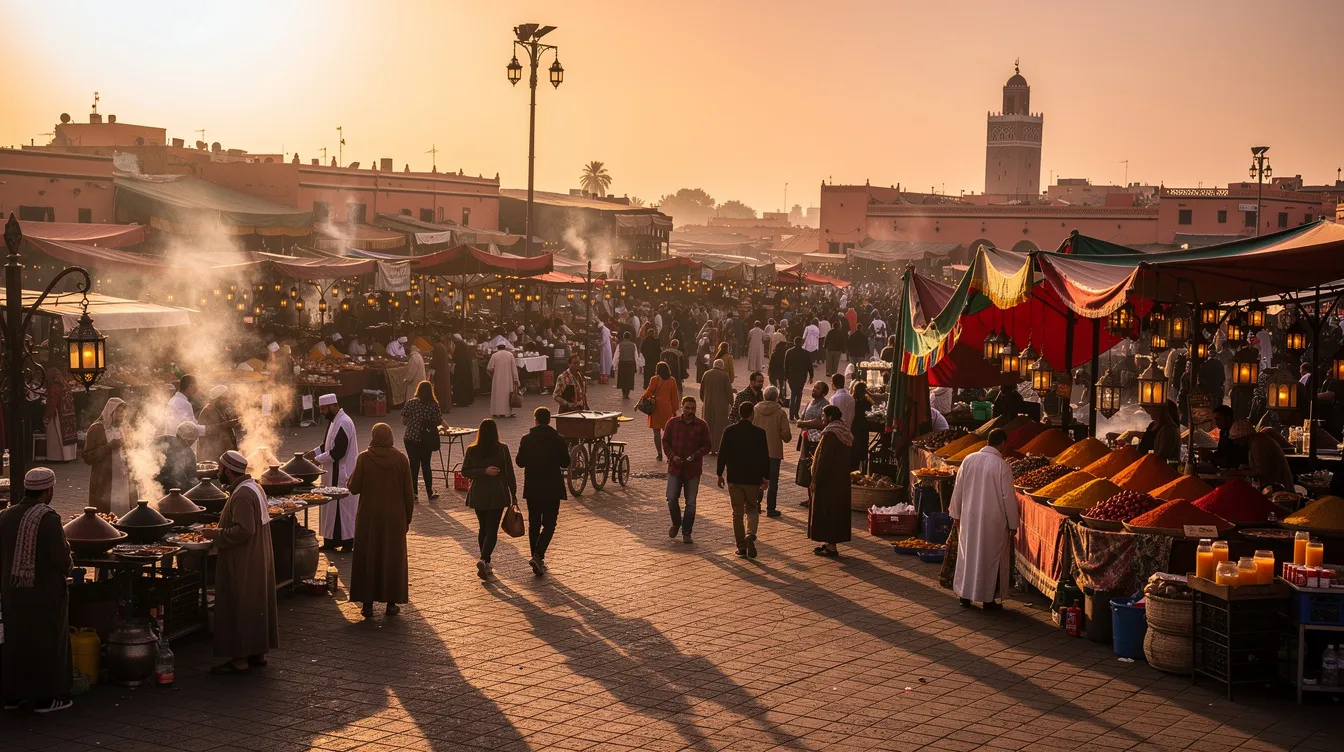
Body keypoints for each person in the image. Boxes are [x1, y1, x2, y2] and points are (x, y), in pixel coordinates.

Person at [0, 468, 73, 713]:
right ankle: (45, 699)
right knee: (47, 642)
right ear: (49, 490)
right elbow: (62, 560)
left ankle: (13, 697)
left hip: (12, 592)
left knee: (16, 641)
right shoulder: (48, 518)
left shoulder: (5, 516)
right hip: (44, 593)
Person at [202, 451, 279, 674]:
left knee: (240, 603)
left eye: (219, 467)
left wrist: (216, 534)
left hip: (244, 558)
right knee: (255, 604)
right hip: (257, 555)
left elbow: (244, 530)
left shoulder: (243, 494)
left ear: (228, 469)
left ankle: (240, 659)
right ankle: (257, 652)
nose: (217, 471)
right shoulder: (255, 487)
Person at [347, 423, 414, 619]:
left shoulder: (364, 458)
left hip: (369, 515)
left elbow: (354, 487)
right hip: (394, 517)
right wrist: (407, 519)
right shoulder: (401, 459)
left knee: (368, 556)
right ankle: (391, 603)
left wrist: (350, 479)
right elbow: (408, 493)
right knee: (391, 557)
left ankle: (367, 604)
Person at [948, 429, 1018, 610]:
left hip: (969, 517)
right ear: (1002, 444)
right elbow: (1008, 497)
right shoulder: (1002, 465)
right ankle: (987, 600)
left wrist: (955, 513)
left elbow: (958, 489)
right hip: (992, 520)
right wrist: (1013, 524)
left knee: (969, 555)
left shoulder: (968, 459)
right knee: (989, 558)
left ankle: (965, 595)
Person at [515, 406, 570, 576]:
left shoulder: (527, 439)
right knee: (550, 524)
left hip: (533, 487)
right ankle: (538, 556)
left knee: (534, 524)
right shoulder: (559, 439)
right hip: (552, 487)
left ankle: (536, 556)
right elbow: (565, 463)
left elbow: (520, 462)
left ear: (536, 420)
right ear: (549, 421)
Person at [462, 418, 517, 581]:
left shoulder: (472, 449)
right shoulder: (502, 449)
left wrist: (482, 471)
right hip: (497, 492)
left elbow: (465, 471)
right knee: (492, 529)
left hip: (478, 492)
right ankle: (484, 559)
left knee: (483, 528)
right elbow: (509, 472)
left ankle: (485, 562)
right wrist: (513, 493)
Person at [717, 402, 771, 558]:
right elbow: (764, 457)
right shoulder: (759, 433)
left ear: (739, 414)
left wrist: (720, 473)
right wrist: (766, 477)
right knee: (752, 509)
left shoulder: (729, 431)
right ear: (752, 415)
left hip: (734, 478)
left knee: (737, 513)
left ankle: (741, 546)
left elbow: (722, 454)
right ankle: (750, 534)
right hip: (753, 479)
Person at [311, 394, 359, 551]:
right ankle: (330, 541)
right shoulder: (334, 422)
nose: (322, 412)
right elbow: (326, 444)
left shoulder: (344, 422)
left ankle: (347, 543)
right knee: (330, 508)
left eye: (324, 409)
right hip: (331, 474)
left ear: (333, 406)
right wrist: (311, 454)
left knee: (343, 510)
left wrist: (317, 459)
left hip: (341, 474)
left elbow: (338, 451)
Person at [663, 396, 711, 544]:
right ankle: (676, 522)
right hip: (675, 468)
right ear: (682, 407)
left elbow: (707, 445)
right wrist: (672, 456)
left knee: (691, 503)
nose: (690, 411)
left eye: (693, 408)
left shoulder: (701, 425)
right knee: (671, 498)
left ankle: (687, 531)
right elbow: (665, 441)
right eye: (687, 408)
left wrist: (695, 455)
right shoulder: (672, 423)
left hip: (693, 470)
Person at [807, 405, 852, 558]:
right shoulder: (843, 430)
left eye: (823, 416)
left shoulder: (831, 434)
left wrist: (815, 479)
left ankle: (832, 547)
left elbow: (824, 460)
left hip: (829, 481)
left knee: (829, 512)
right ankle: (829, 543)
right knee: (835, 511)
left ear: (830, 417)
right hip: (840, 479)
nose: (822, 419)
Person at [82, 397, 133, 515]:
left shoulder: (126, 427)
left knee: (124, 512)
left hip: (123, 478)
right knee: (105, 513)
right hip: (104, 479)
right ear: (111, 412)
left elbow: (134, 449)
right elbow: (87, 457)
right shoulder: (96, 429)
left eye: (123, 412)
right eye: (118, 412)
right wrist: (109, 447)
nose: (121, 415)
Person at [751, 386, 792, 518]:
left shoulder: (755, 409)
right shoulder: (780, 412)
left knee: (756, 479)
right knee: (773, 480)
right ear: (776, 397)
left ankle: (756, 504)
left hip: (757, 451)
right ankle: (771, 508)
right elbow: (786, 435)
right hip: (774, 451)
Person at [401, 381, 446, 499]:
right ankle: (429, 492)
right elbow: (439, 420)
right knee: (426, 465)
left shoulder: (410, 403)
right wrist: (447, 428)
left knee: (413, 465)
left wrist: (413, 425)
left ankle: (414, 492)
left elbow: (404, 421)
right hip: (426, 440)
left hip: (410, 438)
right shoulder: (433, 405)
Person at [1229, 419, 1295, 490]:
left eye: (1237, 440)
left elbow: (1261, 471)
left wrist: (1236, 472)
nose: (1236, 443)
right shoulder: (1255, 441)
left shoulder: (1258, 443)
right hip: (1272, 487)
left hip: (1279, 489)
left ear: (1244, 437)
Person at [796, 381, 831, 508]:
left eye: (818, 388)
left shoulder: (825, 404)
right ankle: (810, 497)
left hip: (817, 441)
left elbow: (823, 423)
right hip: (807, 440)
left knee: (815, 468)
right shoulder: (810, 403)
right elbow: (802, 418)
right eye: (814, 387)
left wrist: (806, 424)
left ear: (823, 392)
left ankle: (817, 498)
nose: (814, 389)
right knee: (806, 468)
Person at [641, 362, 681, 462]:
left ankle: (659, 454)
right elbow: (674, 396)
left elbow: (649, 392)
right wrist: (674, 410)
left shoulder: (654, 379)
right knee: (668, 432)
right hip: (667, 408)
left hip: (655, 407)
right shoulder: (672, 380)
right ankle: (670, 454)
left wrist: (640, 401)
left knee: (656, 431)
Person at [41, 365, 77, 461]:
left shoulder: (55, 386)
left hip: (58, 414)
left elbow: (53, 401)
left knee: (55, 435)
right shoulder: (65, 384)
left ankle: (56, 457)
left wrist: (47, 415)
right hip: (68, 415)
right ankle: (68, 456)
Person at [197, 385, 241, 463]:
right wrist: (226, 425)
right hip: (212, 451)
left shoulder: (220, 408)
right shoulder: (209, 410)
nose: (227, 401)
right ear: (217, 399)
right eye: (225, 399)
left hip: (220, 450)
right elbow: (207, 430)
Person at [153, 422, 200, 493]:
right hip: (156, 486)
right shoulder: (162, 442)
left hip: (175, 491)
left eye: (193, 441)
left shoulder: (189, 454)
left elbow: (191, 476)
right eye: (190, 441)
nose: (191, 443)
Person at [699, 358, 734, 454]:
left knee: (708, 425)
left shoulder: (706, 374)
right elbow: (729, 392)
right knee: (720, 426)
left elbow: (702, 390)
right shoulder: (724, 376)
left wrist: (704, 400)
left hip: (708, 403)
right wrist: (732, 402)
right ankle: (717, 447)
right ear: (722, 366)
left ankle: (708, 447)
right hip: (721, 404)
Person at [162, 374, 202, 439]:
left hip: (171, 441)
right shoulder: (184, 404)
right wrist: (210, 429)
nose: (195, 392)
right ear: (190, 387)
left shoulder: (173, 400)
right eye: (195, 388)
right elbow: (191, 428)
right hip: (179, 444)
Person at [486, 343, 520, 418]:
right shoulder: (510, 355)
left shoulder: (494, 355)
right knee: (507, 395)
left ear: (497, 348)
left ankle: (495, 411)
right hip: (508, 379)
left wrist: (492, 375)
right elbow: (514, 369)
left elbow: (489, 368)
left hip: (497, 379)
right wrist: (516, 379)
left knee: (497, 395)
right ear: (505, 347)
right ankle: (507, 411)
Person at [1211, 404, 1247, 469]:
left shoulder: (1238, 433)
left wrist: (1211, 456)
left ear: (1228, 418)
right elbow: (1221, 452)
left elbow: (1234, 460)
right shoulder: (1223, 432)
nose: (1215, 423)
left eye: (1218, 419)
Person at [785, 337, 813, 419]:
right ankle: (796, 414)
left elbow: (785, 365)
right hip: (802, 376)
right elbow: (809, 366)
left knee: (793, 394)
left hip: (791, 376)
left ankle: (791, 415)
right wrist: (811, 376)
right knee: (799, 395)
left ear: (794, 342)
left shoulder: (789, 352)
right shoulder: (806, 353)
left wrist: (785, 376)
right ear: (801, 343)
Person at [850, 381, 873, 471]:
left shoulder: (852, 400)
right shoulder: (864, 402)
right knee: (860, 450)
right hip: (862, 429)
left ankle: (854, 469)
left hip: (854, 429)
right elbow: (870, 409)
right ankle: (859, 470)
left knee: (854, 451)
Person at [432, 335, 454, 413]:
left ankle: (442, 406)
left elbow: (435, 360)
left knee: (440, 389)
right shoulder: (442, 346)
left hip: (440, 371)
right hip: (444, 370)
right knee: (445, 389)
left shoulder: (437, 347)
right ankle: (446, 406)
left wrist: (431, 365)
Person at [452, 335, 475, 407]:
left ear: (457, 339)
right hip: (466, 369)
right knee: (465, 385)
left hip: (461, 369)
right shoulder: (464, 345)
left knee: (460, 385)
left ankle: (461, 401)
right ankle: (466, 401)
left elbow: (455, 357)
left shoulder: (459, 346)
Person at [616, 331, 638, 399]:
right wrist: (637, 366)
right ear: (630, 337)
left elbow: (616, 355)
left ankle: (624, 393)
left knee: (622, 378)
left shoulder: (620, 345)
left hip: (622, 363)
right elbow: (636, 356)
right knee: (629, 378)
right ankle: (627, 393)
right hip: (630, 363)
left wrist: (614, 365)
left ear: (623, 337)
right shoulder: (633, 345)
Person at [768, 332, 789, 401]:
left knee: (774, 385)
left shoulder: (774, 353)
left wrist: (769, 372)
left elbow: (771, 363)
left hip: (774, 371)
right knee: (781, 384)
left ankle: (773, 396)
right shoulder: (785, 354)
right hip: (781, 371)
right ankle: (781, 396)